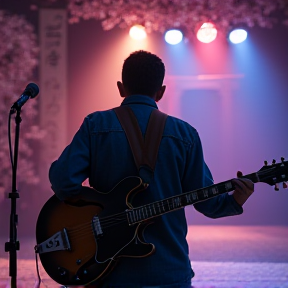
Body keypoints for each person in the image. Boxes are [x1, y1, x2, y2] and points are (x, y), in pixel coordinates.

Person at [49, 50, 254, 288]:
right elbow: (207, 204)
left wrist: (95, 216)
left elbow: (63, 180)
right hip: (168, 270)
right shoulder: (185, 134)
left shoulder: (96, 125)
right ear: (161, 91)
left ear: (120, 87)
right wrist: (236, 199)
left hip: (105, 272)